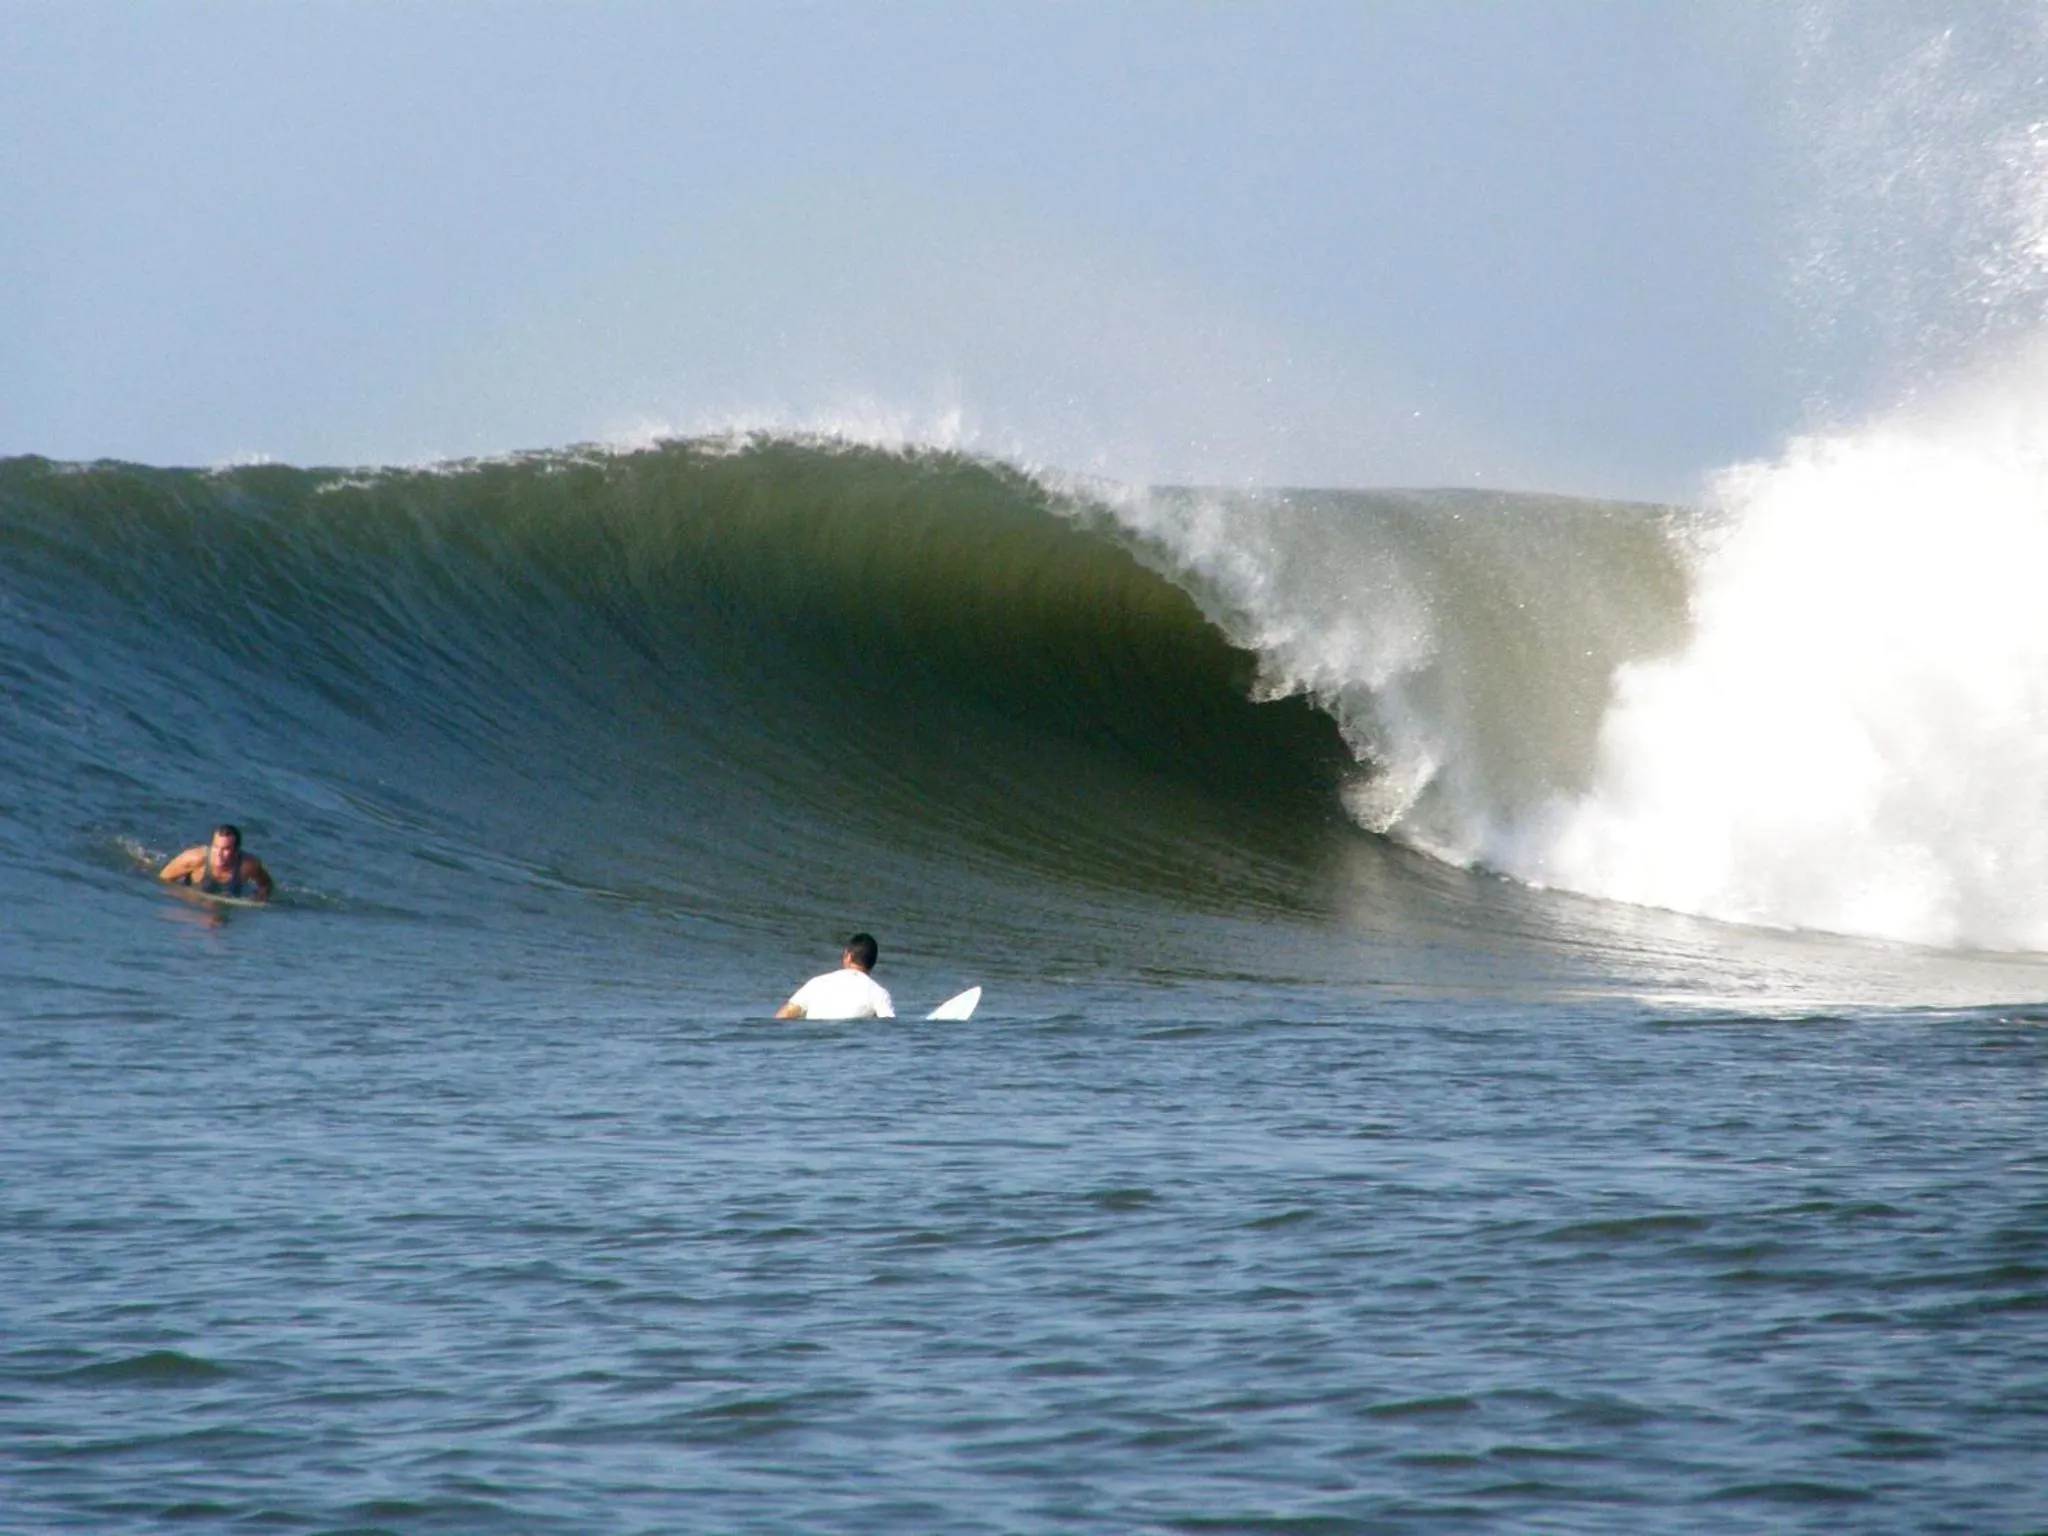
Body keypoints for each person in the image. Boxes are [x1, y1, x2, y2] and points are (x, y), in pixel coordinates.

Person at [776, 933, 895, 1020]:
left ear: (848, 956)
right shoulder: (878, 992)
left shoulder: (817, 983)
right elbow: (888, 1026)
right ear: (873, 962)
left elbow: (784, 1016)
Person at [159, 823, 273, 902]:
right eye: (216, 847)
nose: (219, 853)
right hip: (195, 906)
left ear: (236, 850)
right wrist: (184, 895)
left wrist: (259, 897)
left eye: (226, 849)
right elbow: (163, 879)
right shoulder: (194, 859)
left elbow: (266, 884)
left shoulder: (248, 865)